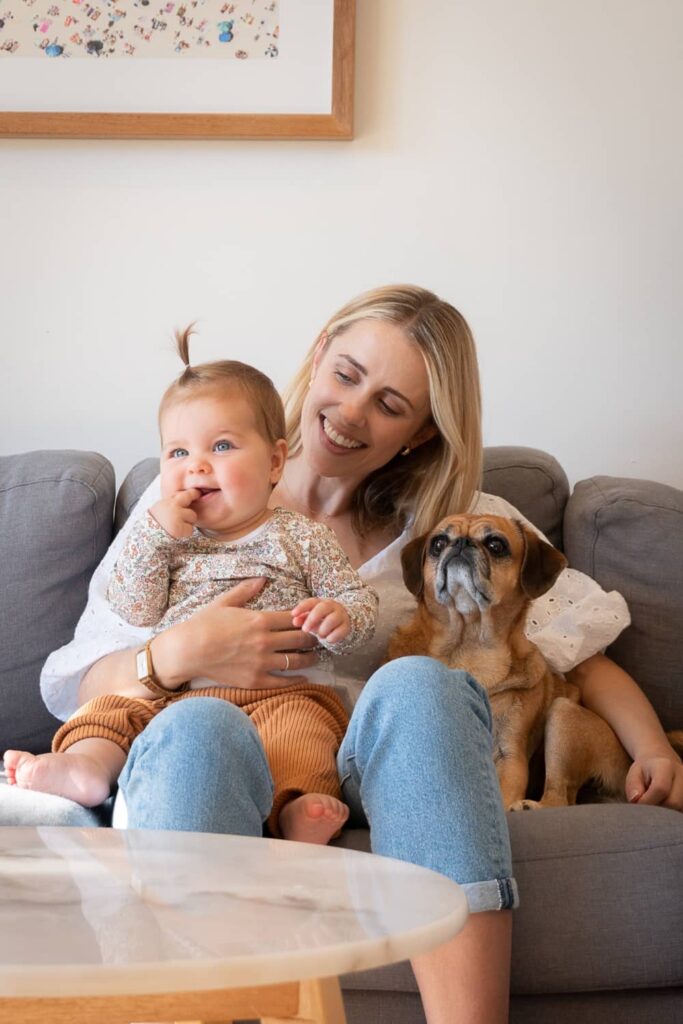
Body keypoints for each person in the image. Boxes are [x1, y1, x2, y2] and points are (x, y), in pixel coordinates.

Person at [25, 285, 683, 1024]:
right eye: (346, 375)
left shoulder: (456, 528)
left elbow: (579, 658)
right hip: (204, 741)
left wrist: (651, 745)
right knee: (196, 730)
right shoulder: (183, 505)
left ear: (421, 434)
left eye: (390, 404)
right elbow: (77, 680)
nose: (349, 412)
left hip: (355, 763)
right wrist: (176, 655)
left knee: (420, 684)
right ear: (317, 356)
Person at [4, 331, 378, 845]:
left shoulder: (302, 536)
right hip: (171, 696)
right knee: (110, 712)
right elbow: (134, 611)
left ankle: (295, 807)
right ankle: (85, 769)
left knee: (306, 731)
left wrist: (341, 616)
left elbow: (357, 600)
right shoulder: (165, 537)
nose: (196, 465)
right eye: (178, 451)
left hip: (279, 692)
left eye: (221, 446)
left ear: (274, 462)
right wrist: (153, 539)